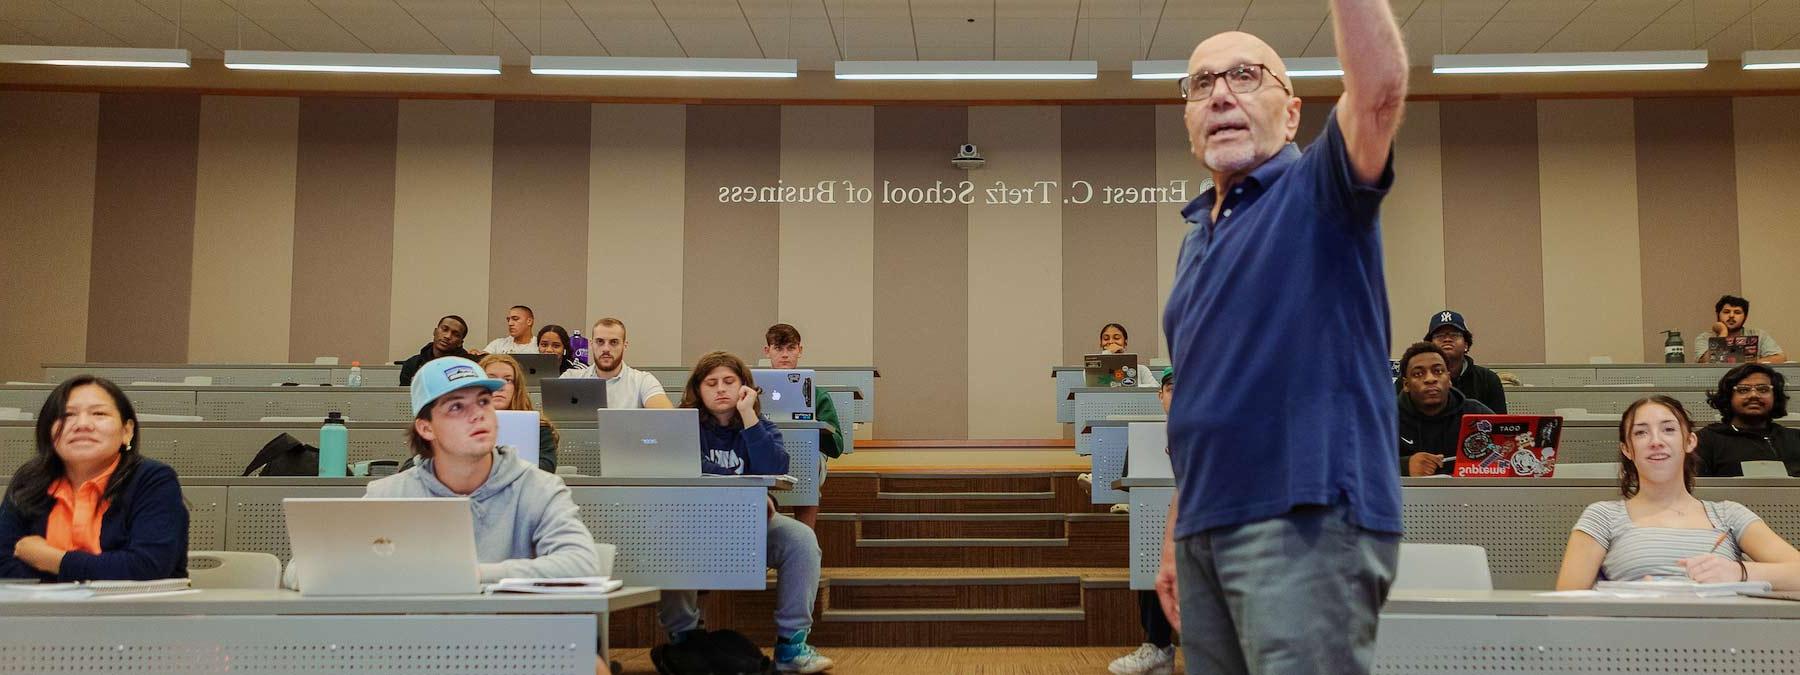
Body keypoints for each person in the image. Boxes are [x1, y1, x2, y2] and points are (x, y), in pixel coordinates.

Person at [1157, 3, 1410, 673]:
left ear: (1292, 112)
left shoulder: (1317, 189)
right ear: (1186, 117)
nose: (1220, 94)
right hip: (1205, 526)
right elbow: (1197, 401)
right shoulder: (1196, 240)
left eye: (1245, 75)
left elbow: (1378, 95)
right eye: (1201, 83)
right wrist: (1175, 533)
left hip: (1304, 518)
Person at [286, 356, 598, 590]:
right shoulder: (391, 494)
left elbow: (582, 564)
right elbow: (299, 571)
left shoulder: (538, 487)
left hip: (513, 647)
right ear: (426, 428)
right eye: (456, 407)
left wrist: (470, 574)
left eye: (484, 401)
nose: (477, 414)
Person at [659, 351, 831, 674]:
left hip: (752, 524)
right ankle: (685, 640)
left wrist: (749, 417)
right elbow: (690, 468)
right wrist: (747, 493)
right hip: (693, 524)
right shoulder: (682, 427)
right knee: (672, 542)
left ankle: (791, 645)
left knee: (801, 539)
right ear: (698, 389)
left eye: (729, 381)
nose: (721, 389)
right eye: (711, 383)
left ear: (745, 388)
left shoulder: (761, 427)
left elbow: (776, 469)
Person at [1555, 395, 1800, 590]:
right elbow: (1566, 604)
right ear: (1627, 449)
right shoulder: (1602, 516)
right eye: (1641, 432)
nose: (1656, 441)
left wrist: (1739, 572)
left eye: (1668, 429)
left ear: (1689, 441)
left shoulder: (1728, 514)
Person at [0, 375, 188, 581]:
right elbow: (3, 564)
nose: (82, 424)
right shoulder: (29, 480)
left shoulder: (152, 480)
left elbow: (147, 567)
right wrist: (97, 571)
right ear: (48, 431)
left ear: (127, 431)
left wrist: (54, 560)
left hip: (134, 612)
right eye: (67, 415)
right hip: (39, 612)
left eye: (99, 413)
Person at [1110, 366, 1178, 675]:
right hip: (1157, 528)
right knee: (1149, 556)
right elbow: (1128, 486)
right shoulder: (1143, 437)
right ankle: (1158, 646)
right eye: (1172, 389)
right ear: (1160, 395)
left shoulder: (1216, 435)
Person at [763, 323, 845, 529]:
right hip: (765, 453)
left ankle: (806, 538)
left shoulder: (817, 395)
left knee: (810, 461)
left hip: (807, 455)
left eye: (790, 348)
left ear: (800, 350)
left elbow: (836, 447)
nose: (785, 355)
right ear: (767, 351)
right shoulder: (753, 391)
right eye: (778, 348)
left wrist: (814, 426)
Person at [1397, 342, 1494, 477]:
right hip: (1405, 496)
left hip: (1468, 495)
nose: (1430, 379)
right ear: (1406, 384)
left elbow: (1505, 456)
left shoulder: (1477, 414)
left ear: (1448, 379)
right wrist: (1404, 467)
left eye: (1438, 371)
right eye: (1418, 374)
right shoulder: (1386, 418)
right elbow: (1364, 464)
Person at [1696, 364, 1800, 477]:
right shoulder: (1706, 440)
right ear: (1729, 396)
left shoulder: (1795, 438)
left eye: (1763, 389)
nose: (1754, 395)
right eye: (1743, 390)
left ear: (1775, 397)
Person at [1402, 310, 1506, 414]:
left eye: (1454, 335)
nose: (1447, 339)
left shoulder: (1488, 380)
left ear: (1466, 344)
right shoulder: (1410, 378)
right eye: (1440, 335)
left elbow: (1501, 426)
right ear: (1430, 343)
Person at [560, 317, 674, 409]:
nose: (606, 349)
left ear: (625, 345)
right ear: (591, 344)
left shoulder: (643, 381)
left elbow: (666, 418)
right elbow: (547, 423)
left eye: (614, 342)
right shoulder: (570, 378)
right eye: (600, 341)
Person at [480, 354, 559, 473]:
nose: (500, 387)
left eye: (508, 380)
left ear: (516, 388)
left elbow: (547, 467)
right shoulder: (463, 424)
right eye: (491, 379)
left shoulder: (539, 426)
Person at [1696, 295, 1786, 364]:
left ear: (1745, 317)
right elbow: (1705, 362)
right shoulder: (1704, 337)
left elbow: (1780, 358)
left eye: (1737, 312)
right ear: (1718, 314)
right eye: (1726, 312)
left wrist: (1747, 365)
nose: (1731, 315)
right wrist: (1723, 333)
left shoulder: (1759, 334)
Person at [399, 315, 474, 386]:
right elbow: (404, 396)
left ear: (460, 343)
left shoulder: (469, 365)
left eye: (455, 334)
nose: (447, 336)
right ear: (435, 332)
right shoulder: (412, 364)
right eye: (444, 329)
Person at [1099, 323, 1161, 388]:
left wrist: (1128, 386)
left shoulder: (1141, 369)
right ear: (1101, 343)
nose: (1111, 342)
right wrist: (1107, 353)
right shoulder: (1091, 371)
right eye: (1106, 339)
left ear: (1125, 342)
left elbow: (1155, 388)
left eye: (1116, 338)